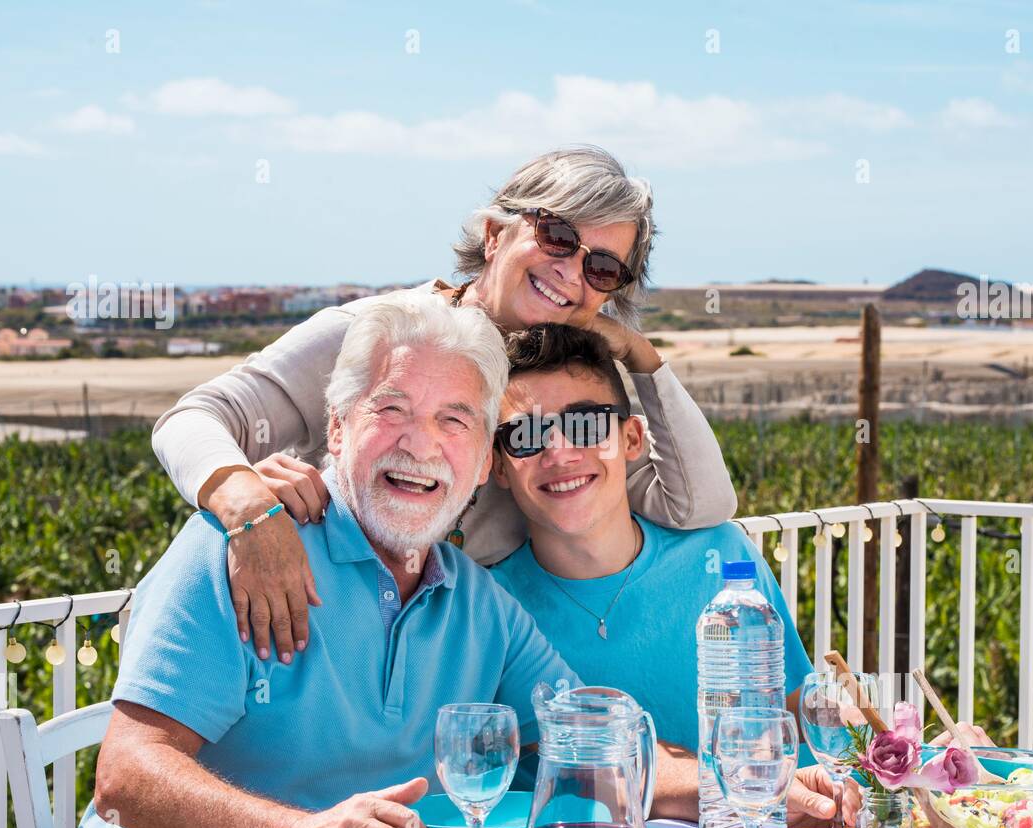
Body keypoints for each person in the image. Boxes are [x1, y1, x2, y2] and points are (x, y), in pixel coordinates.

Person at [73, 295, 620, 828]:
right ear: (336, 429)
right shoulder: (245, 547)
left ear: (485, 461)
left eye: (453, 420)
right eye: (391, 410)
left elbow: (589, 740)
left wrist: (712, 780)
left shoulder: (481, 605)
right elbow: (126, 779)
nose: (419, 443)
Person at [151, 146, 738, 666]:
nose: (571, 271)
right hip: (309, 648)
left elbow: (699, 503)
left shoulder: (563, 403)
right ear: (493, 235)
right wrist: (248, 503)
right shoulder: (386, 337)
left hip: (447, 678)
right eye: (557, 235)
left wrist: (641, 357)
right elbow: (195, 418)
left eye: (603, 267)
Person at [486, 323, 859, 828]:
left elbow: (802, 710)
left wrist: (910, 756)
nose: (559, 453)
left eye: (587, 425)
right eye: (526, 435)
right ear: (500, 466)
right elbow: (593, 768)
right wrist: (750, 787)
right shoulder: (488, 610)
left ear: (633, 437)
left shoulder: (723, 560)